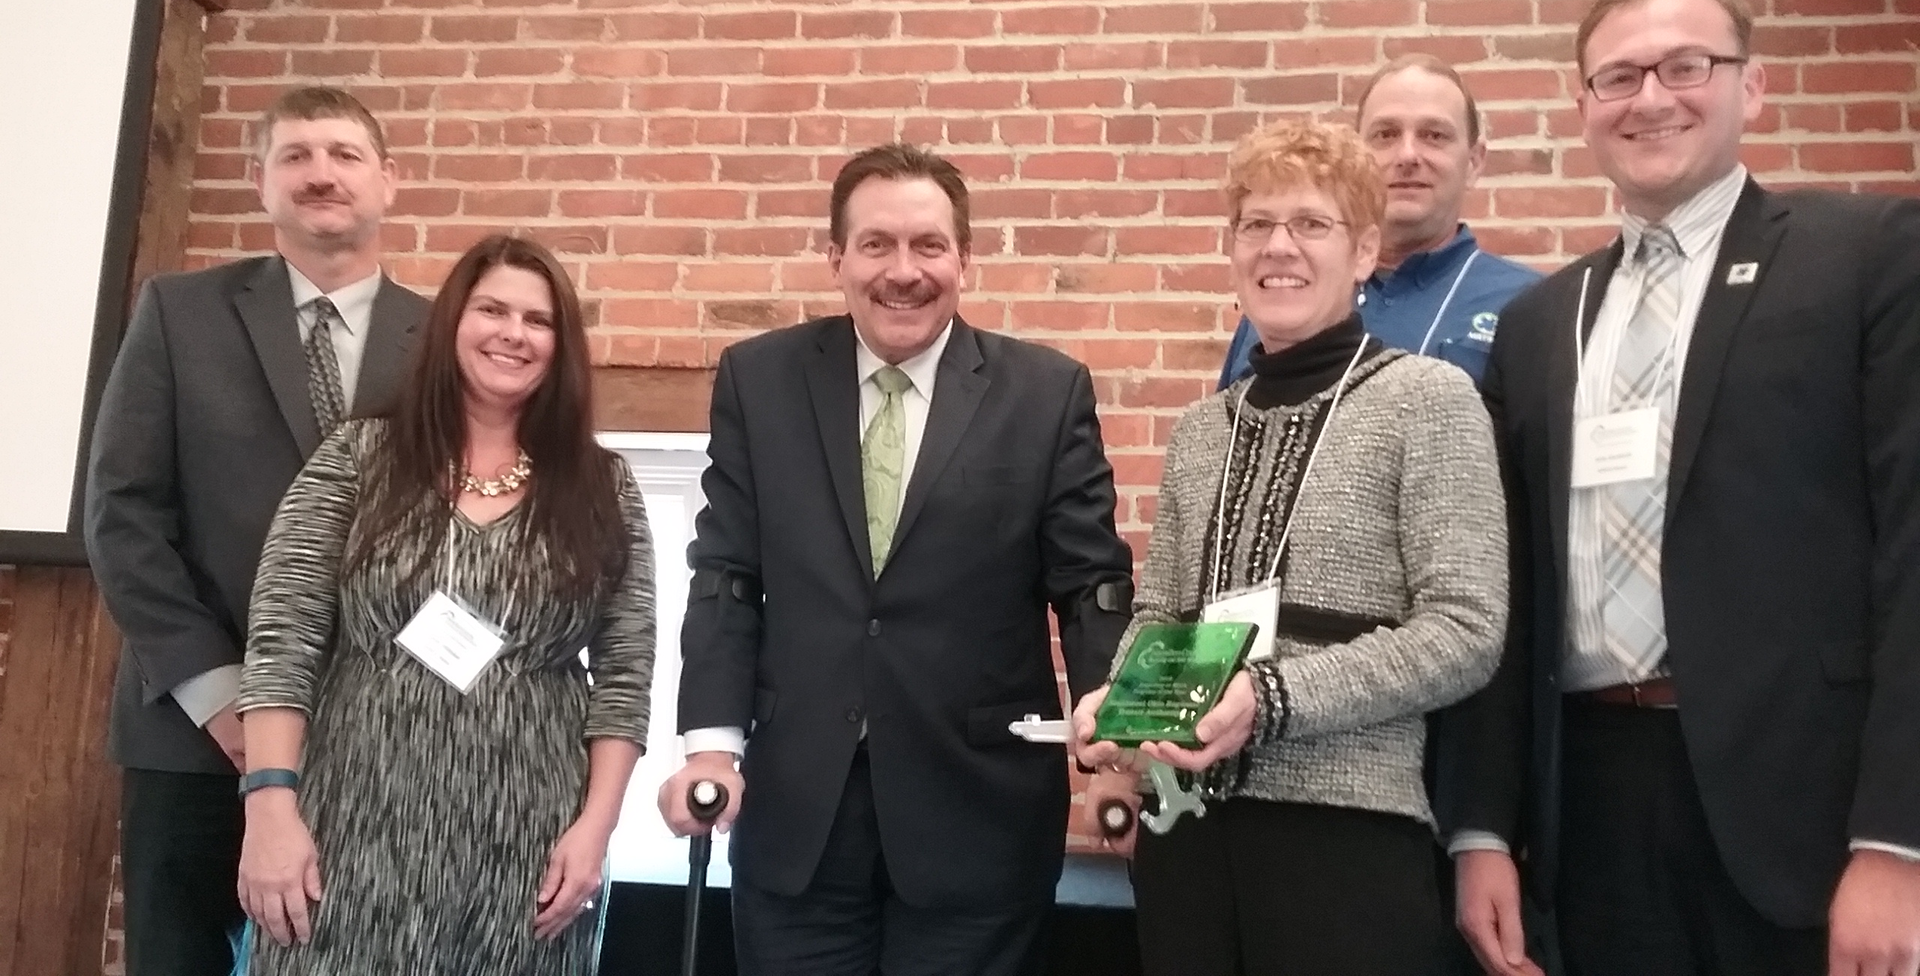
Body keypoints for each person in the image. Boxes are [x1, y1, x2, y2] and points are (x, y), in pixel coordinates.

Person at [1441, 0, 1920, 976]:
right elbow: (1506, 591)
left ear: (1752, 89)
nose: (1650, 96)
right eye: (1616, 77)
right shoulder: (1538, 324)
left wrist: (1898, 841)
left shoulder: (1868, 257)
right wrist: (1483, 827)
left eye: (1685, 66)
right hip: (1594, 808)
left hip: (1809, 814)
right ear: (1582, 109)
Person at [657, 143, 1135, 976]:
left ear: (966, 260)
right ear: (836, 257)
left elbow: (1089, 582)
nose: (903, 272)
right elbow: (728, 575)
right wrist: (708, 745)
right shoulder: (759, 380)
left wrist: (1115, 739)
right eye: (876, 244)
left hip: (977, 818)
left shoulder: (1046, 393)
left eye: (929, 246)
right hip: (797, 816)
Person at [1074, 118, 1508, 976]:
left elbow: (1466, 629)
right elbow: (1163, 612)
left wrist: (1267, 698)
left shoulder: (1431, 402)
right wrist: (1118, 711)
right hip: (1186, 835)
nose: (1280, 246)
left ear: (1363, 252)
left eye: (1311, 224)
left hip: (1345, 839)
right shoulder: (1204, 429)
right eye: (1257, 224)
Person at [231, 234, 657, 974]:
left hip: (530, 838)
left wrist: (596, 827)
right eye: (491, 308)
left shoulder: (603, 486)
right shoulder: (358, 458)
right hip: (352, 821)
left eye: (538, 319)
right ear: (453, 322)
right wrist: (269, 806)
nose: (512, 333)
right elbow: (281, 641)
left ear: (562, 346)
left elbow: (626, 676)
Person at [84, 85, 430, 976]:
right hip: (195, 736)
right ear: (259, 183)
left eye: (345, 155)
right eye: (296, 155)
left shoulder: (444, 340)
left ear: (389, 181)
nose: (322, 174)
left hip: (373, 736)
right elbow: (123, 513)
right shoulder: (178, 314)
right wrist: (220, 692)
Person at [1218, 55, 1540, 387]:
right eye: (1386, 135)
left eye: (1434, 135)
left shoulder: (1529, 306)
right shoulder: (1288, 293)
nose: (1407, 156)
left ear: (1474, 162)